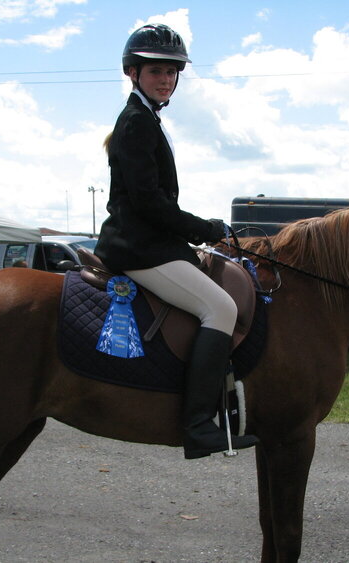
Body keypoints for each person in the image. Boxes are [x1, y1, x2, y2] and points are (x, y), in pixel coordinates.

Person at [94, 24, 258, 460]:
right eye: (155, 71)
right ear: (133, 72)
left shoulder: (146, 118)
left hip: (149, 242)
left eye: (171, 72)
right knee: (220, 307)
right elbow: (148, 203)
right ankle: (199, 425)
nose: (165, 79)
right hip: (137, 246)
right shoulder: (135, 123)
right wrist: (205, 228)